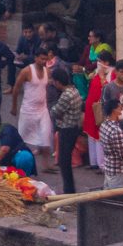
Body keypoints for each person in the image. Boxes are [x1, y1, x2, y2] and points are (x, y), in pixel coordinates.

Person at [13, 50, 56, 157]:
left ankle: (46, 165)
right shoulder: (26, 71)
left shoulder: (48, 72)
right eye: (42, 59)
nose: (44, 61)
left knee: (45, 136)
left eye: (46, 59)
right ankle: (17, 159)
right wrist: (14, 106)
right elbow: (16, 88)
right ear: (35, 58)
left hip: (43, 110)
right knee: (22, 137)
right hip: (28, 109)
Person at [51, 64, 85, 196]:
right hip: (74, 128)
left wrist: (56, 112)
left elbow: (55, 111)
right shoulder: (74, 91)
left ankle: (68, 191)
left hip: (66, 130)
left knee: (64, 163)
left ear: (58, 82)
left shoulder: (66, 95)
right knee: (66, 161)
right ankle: (69, 190)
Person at [98, 95, 123, 190]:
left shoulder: (103, 125)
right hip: (118, 171)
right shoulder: (117, 131)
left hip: (108, 167)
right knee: (119, 199)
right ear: (115, 111)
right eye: (121, 109)